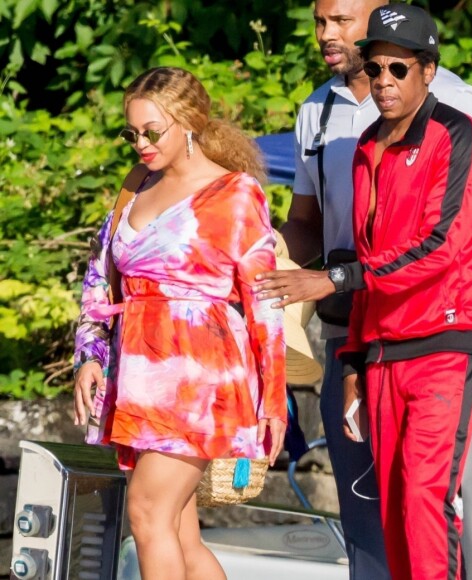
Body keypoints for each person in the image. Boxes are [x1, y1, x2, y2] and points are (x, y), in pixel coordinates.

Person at [254, 1, 472, 578]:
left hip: (439, 328)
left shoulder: (455, 113)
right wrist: (256, 260)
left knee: (424, 501)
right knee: (374, 513)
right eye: (320, 21)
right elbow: (314, 228)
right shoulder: (326, 117)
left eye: (342, 21)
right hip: (363, 330)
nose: (327, 34)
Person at [73, 66, 287, 580]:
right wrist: (90, 357)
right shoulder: (134, 190)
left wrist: (273, 402)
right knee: (180, 535)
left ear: (188, 122)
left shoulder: (234, 195)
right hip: (139, 378)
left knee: (147, 514)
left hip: (200, 379)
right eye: (131, 133)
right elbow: (99, 283)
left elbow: (266, 303)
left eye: (152, 131)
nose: (140, 144)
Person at [337, 5, 472, 577]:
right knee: (394, 509)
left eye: (398, 69)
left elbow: (440, 245)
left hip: (447, 343)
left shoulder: (457, 133)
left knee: (425, 501)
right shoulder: (365, 149)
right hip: (383, 354)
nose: (383, 82)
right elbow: (368, 251)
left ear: (428, 70)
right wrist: (354, 358)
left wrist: (335, 278)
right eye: (374, 68)